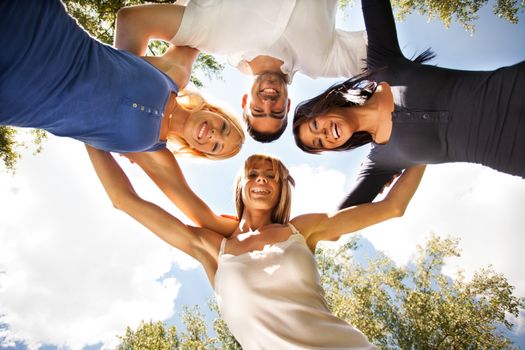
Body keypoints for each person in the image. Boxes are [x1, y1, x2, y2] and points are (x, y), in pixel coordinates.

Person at [87, 144, 425, 349]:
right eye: (253, 174)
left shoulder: (301, 230)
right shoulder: (212, 249)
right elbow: (124, 200)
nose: (262, 179)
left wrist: (428, 148)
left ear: (281, 188)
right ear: (241, 186)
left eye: (271, 175)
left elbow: (392, 207)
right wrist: (89, 134)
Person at [0, 0, 244, 234]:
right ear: (213, 112)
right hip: (38, 25)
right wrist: (123, 64)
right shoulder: (176, 71)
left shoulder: (152, 153)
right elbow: (194, 17)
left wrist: (265, 228)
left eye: (215, 147)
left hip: (15, 96)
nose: (213, 135)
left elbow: (204, 218)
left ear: (199, 150)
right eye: (223, 128)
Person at [292, 0, 525, 208]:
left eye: (314, 127)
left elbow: (374, 6)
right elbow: (338, 220)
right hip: (514, 154)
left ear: (321, 107)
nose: (324, 135)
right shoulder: (379, 163)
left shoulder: (383, 65)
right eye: (320, 143)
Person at [115, 0, 368, 143]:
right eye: (276, 111)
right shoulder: (321, 62)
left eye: (258, 110)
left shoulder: (213, 38)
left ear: (245, 101)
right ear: (288, 105)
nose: (268, 102)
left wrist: (130, 99)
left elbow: (133, 21)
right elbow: (387, 65)